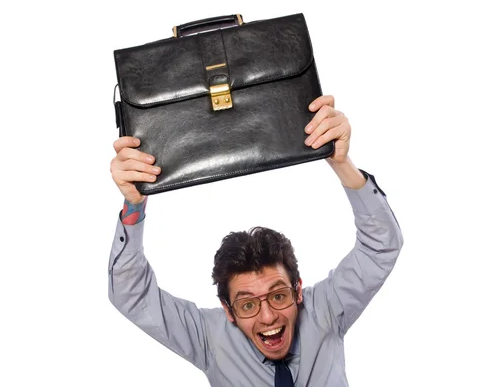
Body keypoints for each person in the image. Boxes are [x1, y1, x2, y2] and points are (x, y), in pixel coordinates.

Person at [108, 95, 404, 386]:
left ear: (298, 291)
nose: (268, 317)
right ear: (228, 310)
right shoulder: (209, 337)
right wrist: (134, 202)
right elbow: (131, 295)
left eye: (278, 296)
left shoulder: (325, 309)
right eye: (247, 305)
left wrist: (341, 163)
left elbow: (381, 247)